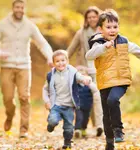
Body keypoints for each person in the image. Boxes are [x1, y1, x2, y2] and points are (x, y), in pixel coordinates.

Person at [85, 9, 140, 150]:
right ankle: (109, 141)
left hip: (121, 80)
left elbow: (135, 49)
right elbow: (89, 56)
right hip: (105, 82)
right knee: (106, 113)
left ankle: (118, 130)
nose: (112, 30)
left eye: (115, 27)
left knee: (112, 100)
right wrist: (104, 47)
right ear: (100, 29)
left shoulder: (123, 41)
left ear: (118, 28)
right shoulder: (98, 43)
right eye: (108, 27)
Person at [0, 0, 53, 138]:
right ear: (13, 8)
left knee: (24, 97)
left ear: (24, 9)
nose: (19, 9)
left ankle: (23, 129)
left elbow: (42, 43)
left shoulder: (29, 26)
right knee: (8, 98)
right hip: (7, 66)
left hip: (24, 66)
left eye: (22, 7)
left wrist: (49, 57)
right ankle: (10, 115)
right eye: (17, 7)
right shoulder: (2, 25)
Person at [42, 50, 91, 149]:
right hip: (56, 104)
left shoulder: (72, 72)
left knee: (68, 126)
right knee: (53, 120)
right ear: (53, 63)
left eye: (63, 60)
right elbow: (45, 89)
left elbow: (80, 77)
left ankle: (67, 143)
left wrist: (86, 79)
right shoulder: (51, 75)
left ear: (67, 61)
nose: (61, 63)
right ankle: (51, 125)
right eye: (57, 61)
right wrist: (47, 101)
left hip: (69, 106)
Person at [67, 6, 103, 136]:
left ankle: (99, 125)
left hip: (100, 69)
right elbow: (70, 50)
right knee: (84, 100)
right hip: (84, 70)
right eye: (89, 17)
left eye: (94, 16)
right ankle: (83, 126)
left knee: (98, 97)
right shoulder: (81, 33)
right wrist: (60, 62)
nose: (92, 19)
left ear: (98, 17)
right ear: (86, 19)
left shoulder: (104, 31)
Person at [74, 65, 102, 138]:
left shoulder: (89, 86)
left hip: (88, 105)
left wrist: (89, 83)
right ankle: (77, 130)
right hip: (78, 105)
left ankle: (83, 129)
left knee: (86, 118)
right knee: (79, 117)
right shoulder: (75, 85)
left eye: (83, 75)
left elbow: (95, 91)